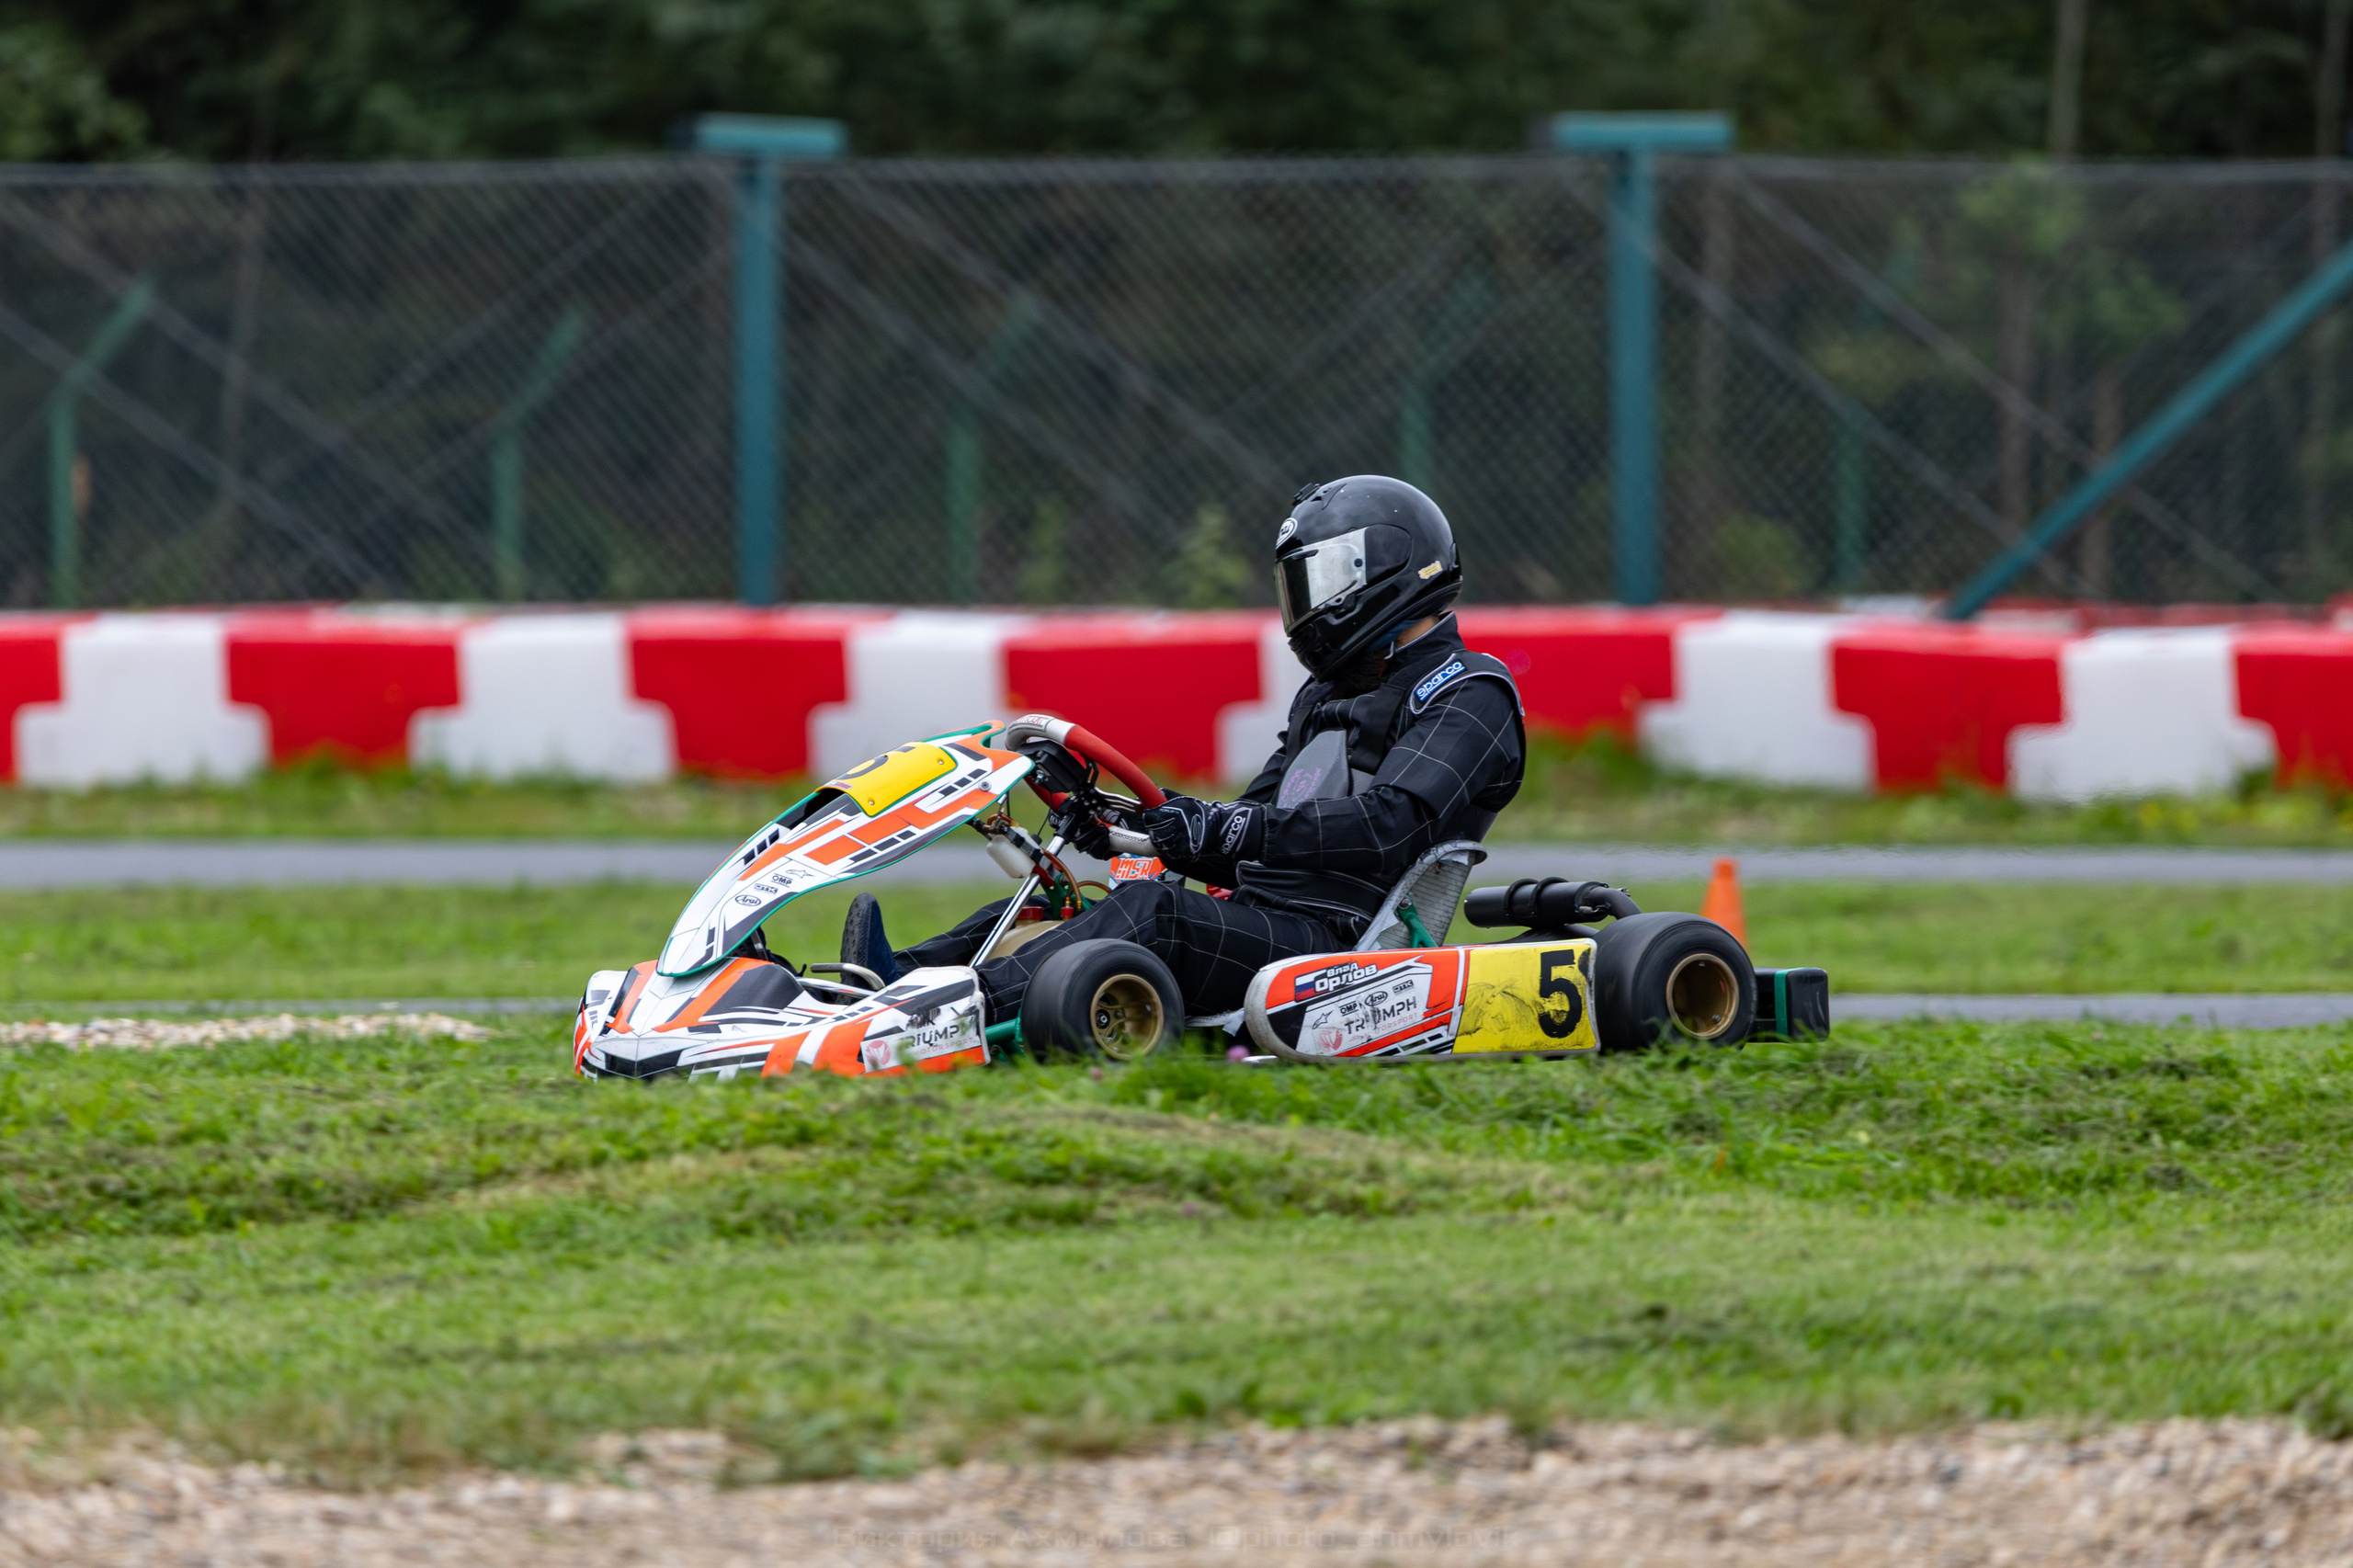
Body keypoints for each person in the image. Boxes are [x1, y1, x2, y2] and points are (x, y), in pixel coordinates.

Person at [841, 474, 1525, 1024]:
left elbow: (1388, 825)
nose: (1304, 608)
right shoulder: (1324, 699)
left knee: (1157, 913)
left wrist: (1224, 826)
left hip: (1345, 948)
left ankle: (942, 1017)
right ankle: (882, 986)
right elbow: (1246, 835)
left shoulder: (1470, 694)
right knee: (1067, 903)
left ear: (1380, 571)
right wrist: (1133, 832)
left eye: (1316, 584)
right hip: (1270, 923)